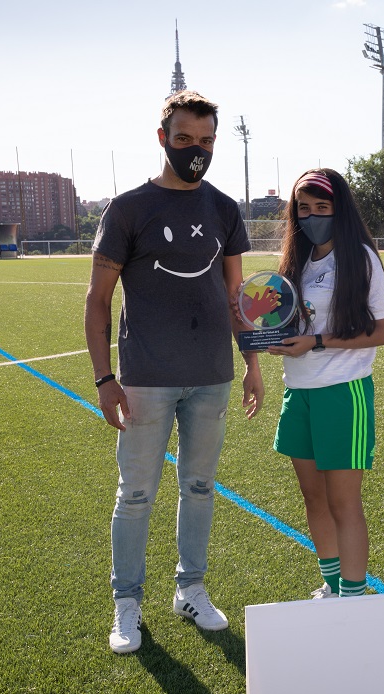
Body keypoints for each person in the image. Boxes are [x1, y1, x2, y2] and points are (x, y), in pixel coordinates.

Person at [85, 89, 263, 654]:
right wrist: (104, 378)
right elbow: (97, 300)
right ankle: (126, 603)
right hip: (145, 378)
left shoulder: (224, 209)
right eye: (184, 138)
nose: (196, 150)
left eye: (206, 141)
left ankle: (190, 590)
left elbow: (236, 296)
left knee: (200, 487)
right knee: (136, 494)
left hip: (210, 376)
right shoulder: (129, 209)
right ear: (162, 138)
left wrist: (252, 361)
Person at [265, 168, 384, 599]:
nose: (312, 216)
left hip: (342, 392)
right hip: (297, 390)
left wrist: (317, 342)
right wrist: (262, 327)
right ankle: (333, 583)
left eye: (322, 207)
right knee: (313, 498)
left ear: (340, 210)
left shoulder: (360, 258)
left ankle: (352, 599)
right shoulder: (296, 261)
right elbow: (291, 321)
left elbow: (383, 332)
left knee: (343, 502)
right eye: (304, 209)